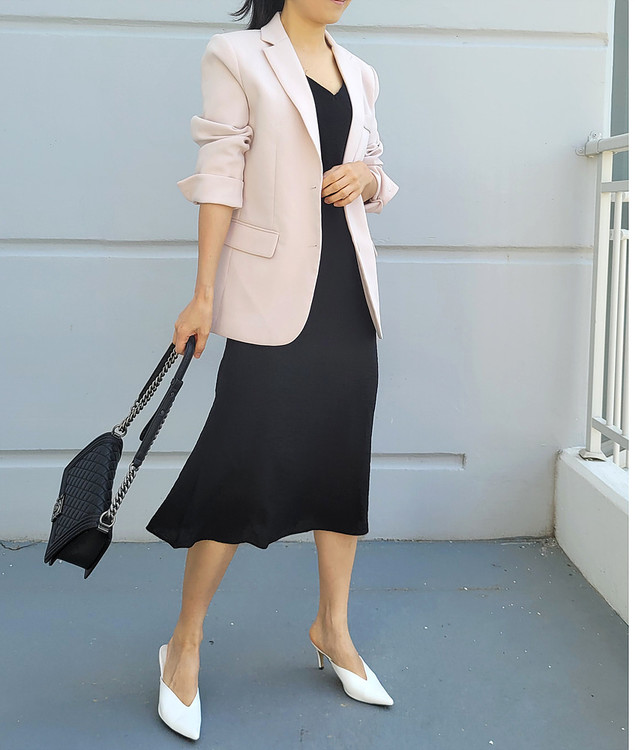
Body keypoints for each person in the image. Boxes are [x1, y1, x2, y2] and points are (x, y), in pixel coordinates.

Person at [147, 0, 400, 739]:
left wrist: (365, 178)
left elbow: (378, 173)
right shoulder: (237, 56)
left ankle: (333, 629)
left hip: (346, 296)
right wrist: (203, 295)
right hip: (270, 297)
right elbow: (219, 176)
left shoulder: (361, 73)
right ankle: (184, 643)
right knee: (238, 463)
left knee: (340, 461)